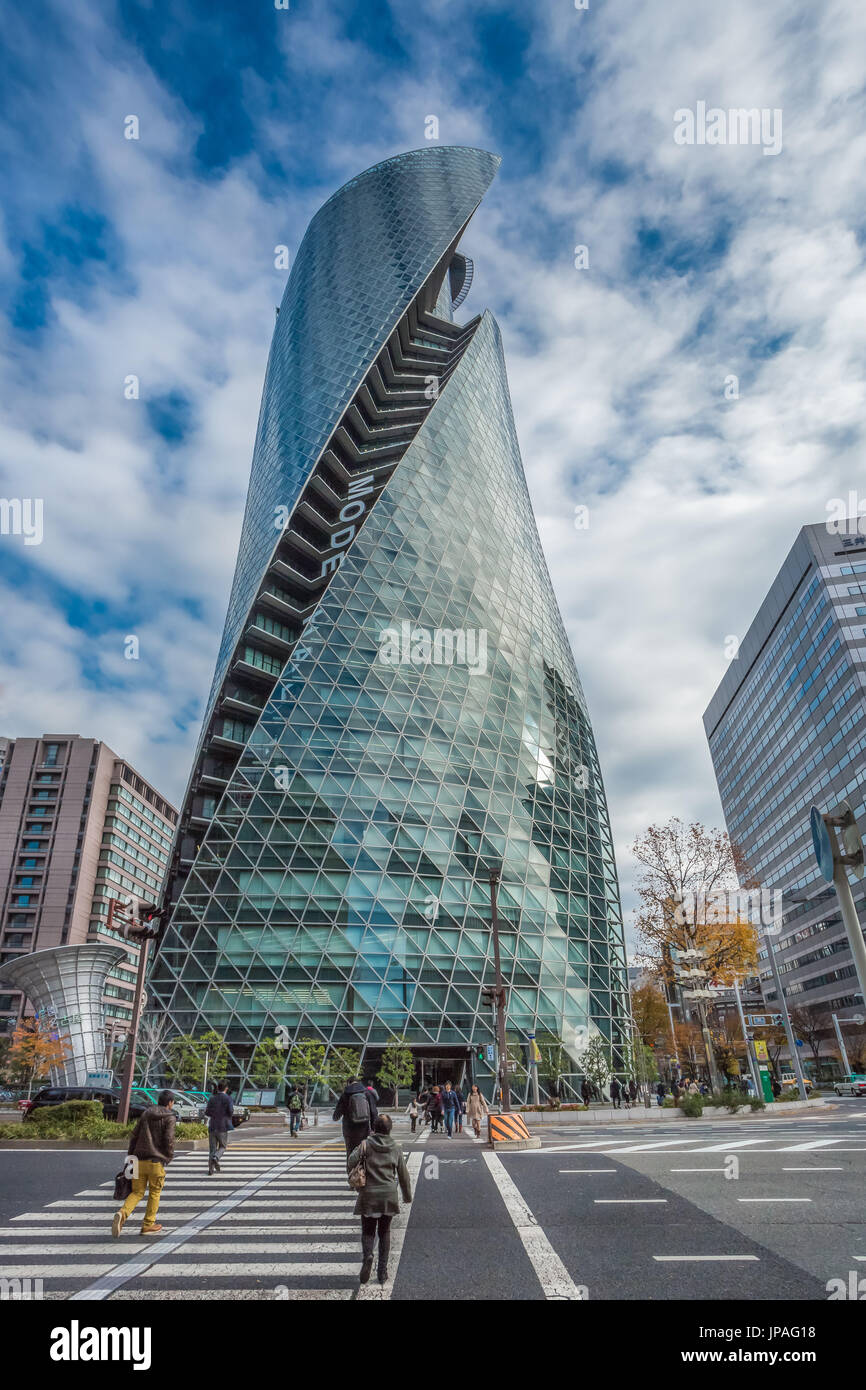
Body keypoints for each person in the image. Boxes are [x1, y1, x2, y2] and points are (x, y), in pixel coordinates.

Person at [348, 1114, 412, 1286]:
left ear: (374, 1128)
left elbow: (350, 1162)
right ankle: (382, 1272)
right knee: (384, 1232)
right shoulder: (396, 1148)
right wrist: (407, 1195)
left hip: (369, 1195)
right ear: (390, 1129)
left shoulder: (366, 1145)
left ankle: (368, 1255)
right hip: (388, 1196)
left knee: (368, 1231)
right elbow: (404, 1175)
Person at [112, 1090, 176, 1238]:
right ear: (170, 1103)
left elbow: (134, 1136)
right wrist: (169, 1156)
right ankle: (148, 1224)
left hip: (138, 1159)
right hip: (156, 1161)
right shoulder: (169, 1117)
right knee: (155, 1192)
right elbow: (169, 1139)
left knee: (137, 1192)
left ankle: (123, 1213)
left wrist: (130, 1157)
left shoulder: (146, 1114)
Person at [333, 1074, 378, 1157]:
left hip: (349, 1130)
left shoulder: (345, 1095)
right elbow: (374, 1112)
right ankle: (363, 1169)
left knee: (350, 1153)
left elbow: (336, 1115)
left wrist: (336, 1116)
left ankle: (351, 1169)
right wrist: (373, 1128)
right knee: (364, 1152)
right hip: (364, 1128)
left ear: (348, 1083)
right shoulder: (366, 1093)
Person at [205, 1080, 233, 1174]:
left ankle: (210, 1169)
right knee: (223, 1146)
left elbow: (207, 1112)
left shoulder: (212, 1098)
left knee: (212, 1148)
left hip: (212, 1125)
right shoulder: (228, 1098)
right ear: (226, 1088)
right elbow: (230, 1111)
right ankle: (216, 1157)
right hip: (222, 1126)